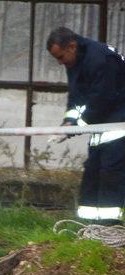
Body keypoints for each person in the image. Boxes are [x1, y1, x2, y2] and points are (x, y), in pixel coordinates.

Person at [46, 27, 125, 224]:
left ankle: (109, 229)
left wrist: (75, 128)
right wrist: (68, 121)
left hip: (119, 124)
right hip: (102, 126)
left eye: (61, 56)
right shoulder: (75, 60)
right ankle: (90, 228)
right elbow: (77, 96)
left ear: (72, 46)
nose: (60, 62)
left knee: (110, 174)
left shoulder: (100, 59)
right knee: (92, 173)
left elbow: (101, 100)